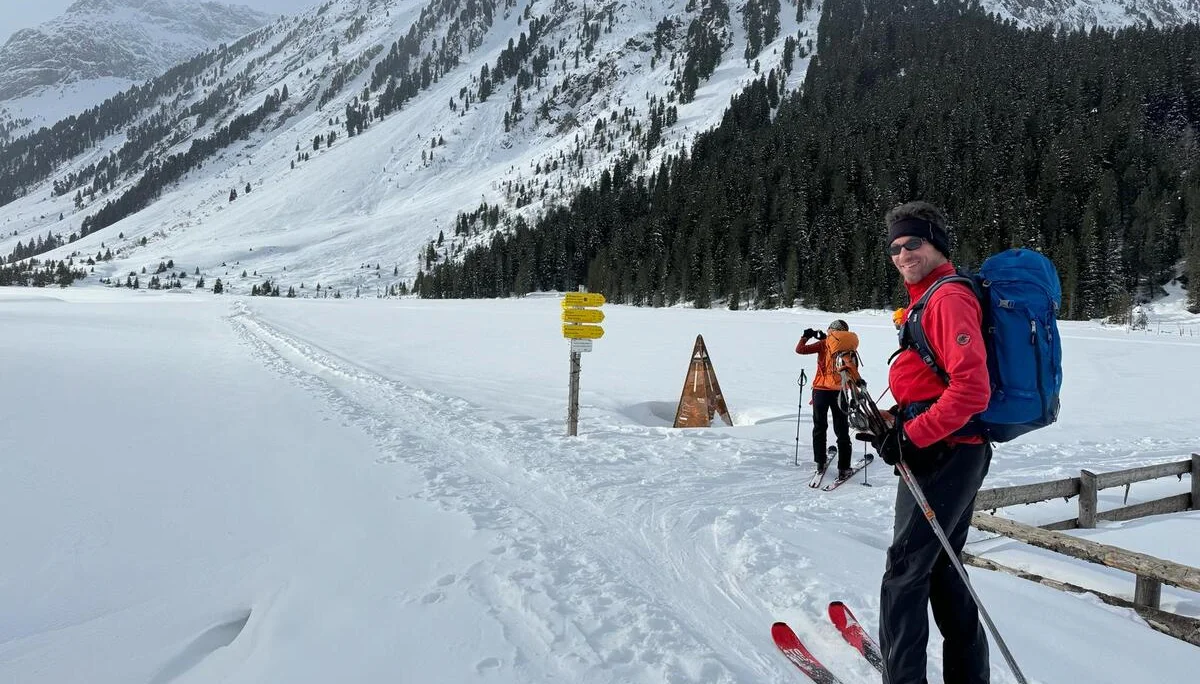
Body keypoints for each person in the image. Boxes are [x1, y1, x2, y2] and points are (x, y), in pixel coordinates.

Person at [870, 201, 992, 684]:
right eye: (895, 247)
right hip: (947, 447)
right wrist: (897, 421)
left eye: (913, 243)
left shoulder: (948, 298)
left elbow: (972, 389)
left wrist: (912, 436)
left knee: (905, 571)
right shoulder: (929, 298)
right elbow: (936, 383)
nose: (903, 254)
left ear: (936, 243)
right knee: (942, 568)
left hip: (945, 453)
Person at [795, 320, 859, 478]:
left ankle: (820, 462)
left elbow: (800, 350)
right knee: (842, 430)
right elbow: (851, 367)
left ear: (831, 330)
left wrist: (806, 336)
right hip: (840, 392)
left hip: (820, 391)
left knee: (819, 427)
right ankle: (844, 467)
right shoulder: (848, 346)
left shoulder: (823, 344)